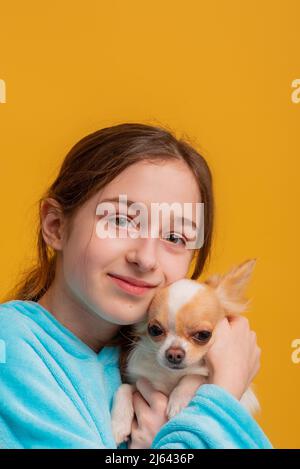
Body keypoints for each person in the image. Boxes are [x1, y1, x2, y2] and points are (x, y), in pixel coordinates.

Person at [0, 123, 272, 449]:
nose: (145, 258)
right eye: (120, 220)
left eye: (175, 237)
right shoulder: (12, 345)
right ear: (56, 226)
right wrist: (224, 391)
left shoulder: (144, 360)